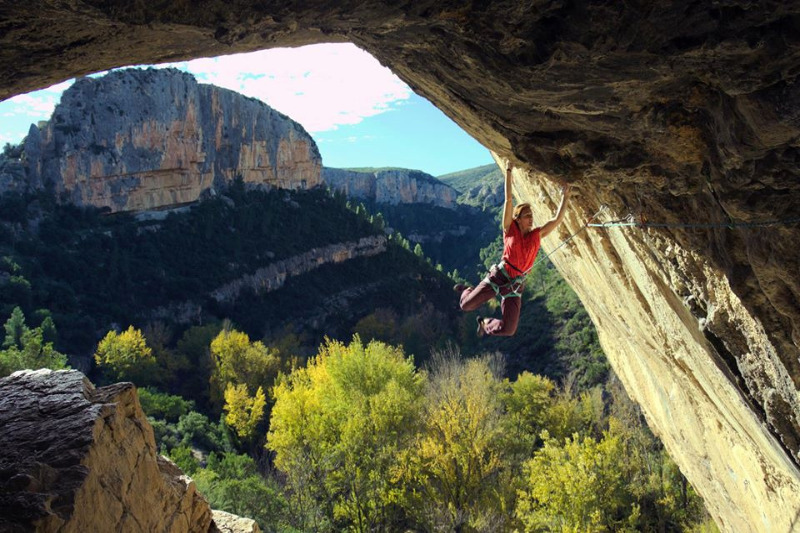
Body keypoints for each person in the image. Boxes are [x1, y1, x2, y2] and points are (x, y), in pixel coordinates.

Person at [456, 161, 571, 337]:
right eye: (527, 216)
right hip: (499, 277)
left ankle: (485, 323)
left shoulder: (536, 235)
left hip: (515, 285)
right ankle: (468, 290)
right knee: (465, 305)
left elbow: (556, 220)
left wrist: (565, 197)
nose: (531, 219)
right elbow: (509, 199)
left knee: (509, 329)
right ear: (517, 219)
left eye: (531, 216)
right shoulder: (509, 229)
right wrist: (509, 170)